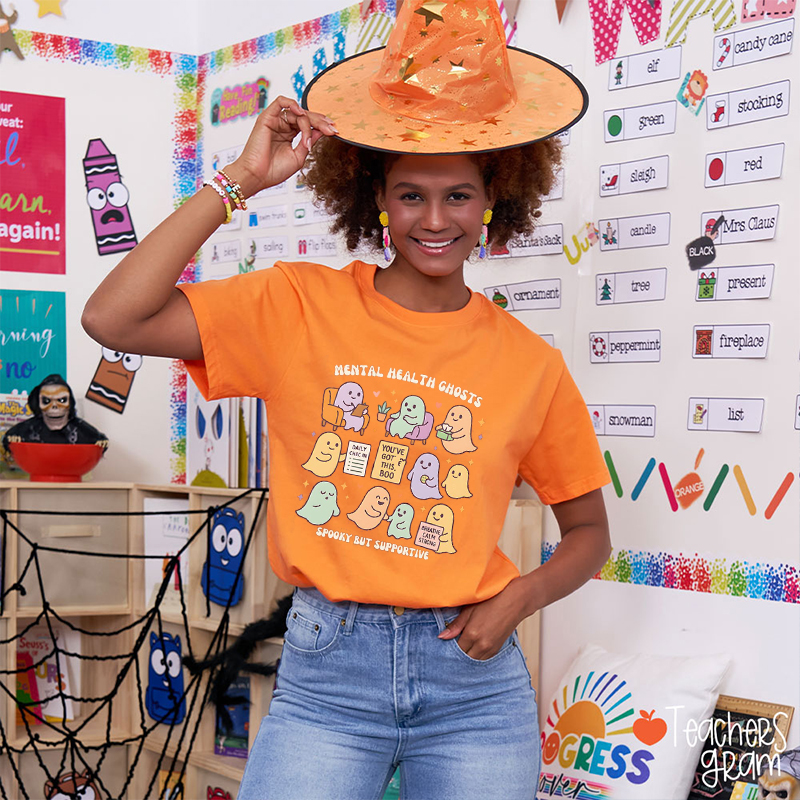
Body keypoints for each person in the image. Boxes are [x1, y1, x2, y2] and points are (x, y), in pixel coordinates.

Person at [82, 1, 611, 797]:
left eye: (459, 196)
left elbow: (589, 535)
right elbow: (112, 315)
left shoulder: (529, 363)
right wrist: (239, 182)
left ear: (495, 196)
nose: (435, 220)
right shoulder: (298, 305)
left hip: (473, 681)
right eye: (411, 196)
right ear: (376, 198)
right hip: (330, 671)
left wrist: (519, 599)